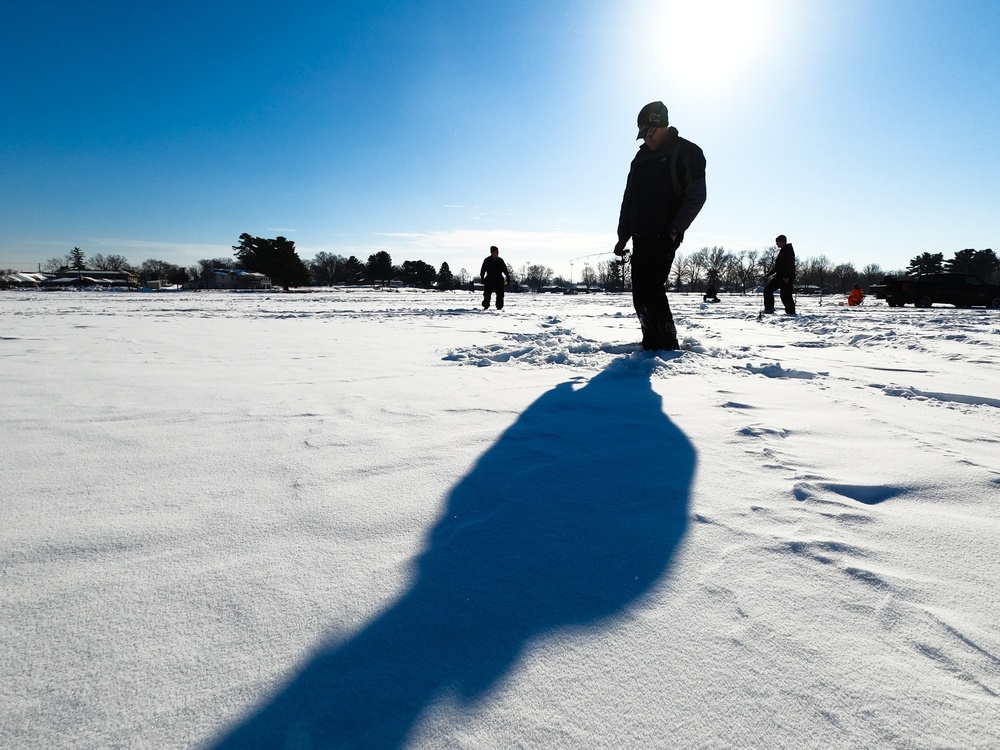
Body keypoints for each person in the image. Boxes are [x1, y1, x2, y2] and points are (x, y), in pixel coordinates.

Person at [614, 101, 707, 350]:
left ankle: (666, 345)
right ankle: (650, 342)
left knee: (652, 288)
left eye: (650, 133)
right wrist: (622, 236)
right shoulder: (640, 158)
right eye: (642, 135)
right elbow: (629, 198)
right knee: (639, 294)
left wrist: (676, 229)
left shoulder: (687, 152)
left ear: (662, 126)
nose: (646, 139)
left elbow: (696, 195)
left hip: (665, 234)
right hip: (639, 236)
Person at [763, 235, 796, 314]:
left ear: (782, 242)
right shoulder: (783, 251)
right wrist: (769, 274)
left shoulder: (788, 251)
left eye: (777, 242)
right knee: (768, 290)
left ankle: (791, 312)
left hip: (785, 277)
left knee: (785, 295)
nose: (776, 244)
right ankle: (769, 308)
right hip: (779, 276)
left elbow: (789, 265)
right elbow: (778, 266)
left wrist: (786, 276)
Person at [479, 245, 510, 310]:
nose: (498, 253)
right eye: (496, 252)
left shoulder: (500, 261)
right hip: (489, 279)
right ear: (492, 252)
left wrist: (507, 277)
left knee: (500, 294)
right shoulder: (487, 260)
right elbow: (483, 270)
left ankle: (499, 307)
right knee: (487, 293)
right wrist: (482, 277)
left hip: (499, 279)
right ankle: (486, 305)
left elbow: (505, 269)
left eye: (498, 252)